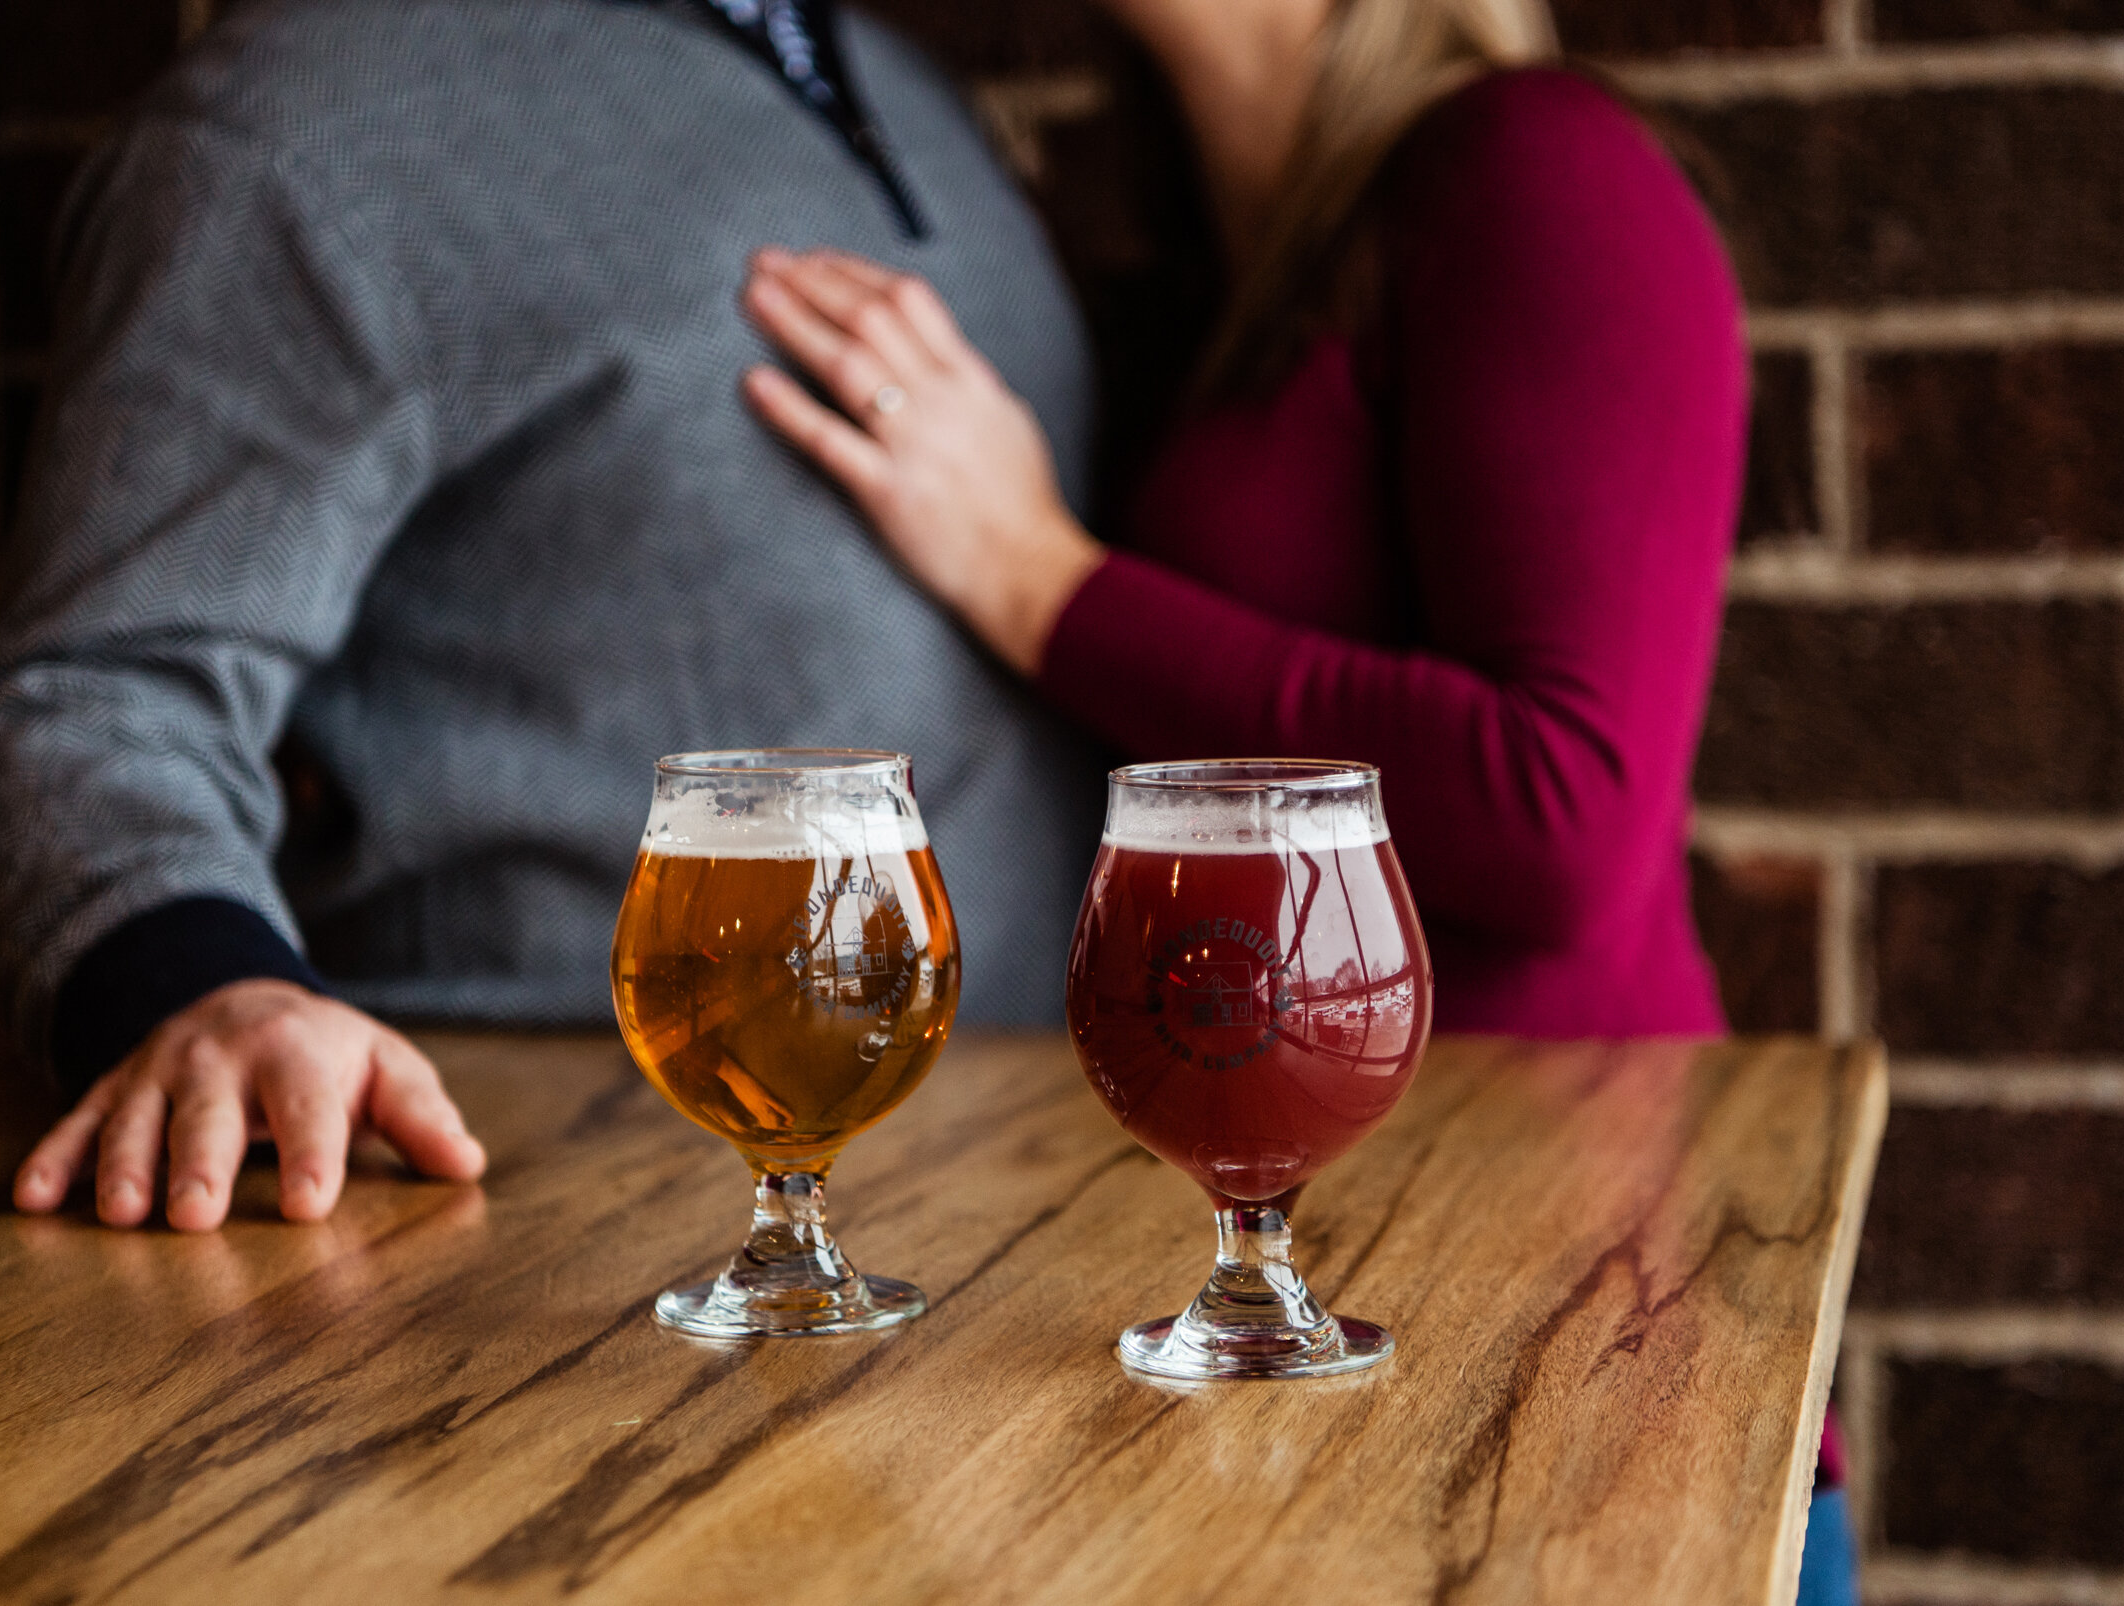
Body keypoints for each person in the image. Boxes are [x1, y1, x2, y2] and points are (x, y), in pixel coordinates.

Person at [733, 1, 1855, 1600]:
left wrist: (1035, 575)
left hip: (1584, 1391)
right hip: (1303, 1389)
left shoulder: (1542, 167)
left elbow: (1565, 811)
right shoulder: (1213, 249)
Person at [0, 0, 1103, 1236]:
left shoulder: (896, 82)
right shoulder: (303, 134)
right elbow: (90, 700)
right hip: (573, 1243)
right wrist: (202, 984)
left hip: (1030, 1210)